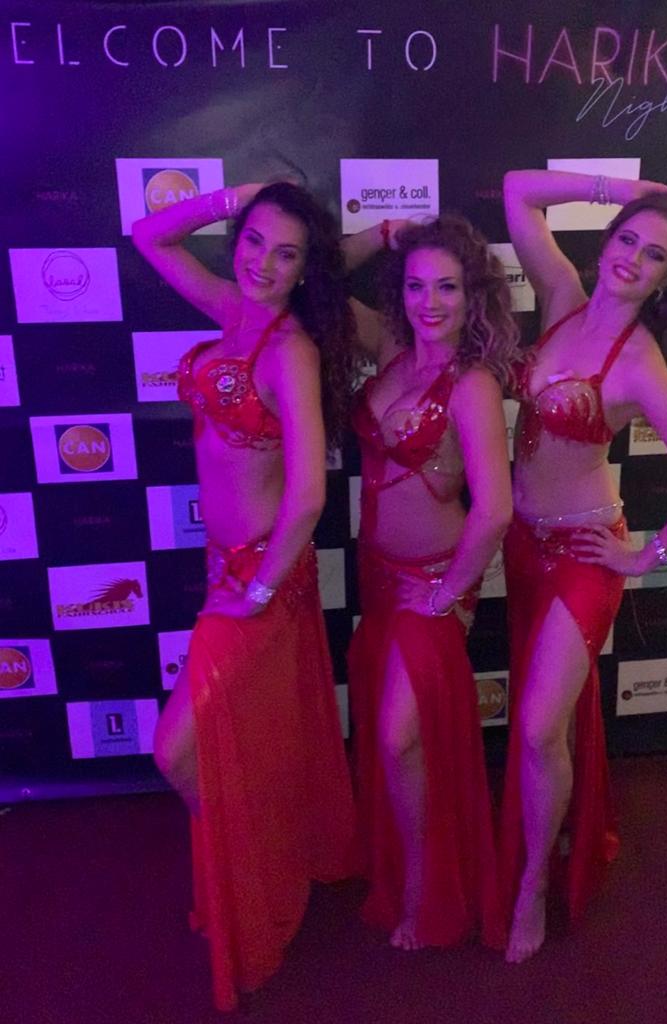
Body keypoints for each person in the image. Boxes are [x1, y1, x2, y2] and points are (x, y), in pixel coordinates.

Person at [499, 170, 667, 963]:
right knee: (547, 723)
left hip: (583, 556)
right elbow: (518, 192)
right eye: (627, 240)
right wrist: (618, 190)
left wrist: (645, 556)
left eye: (654, 254)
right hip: (522, 545)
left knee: (539, 726)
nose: (632, 257)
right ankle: (555, 829)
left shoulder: (640, 368)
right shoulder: (561, 296)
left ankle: (534, 883)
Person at [132, 181, 357, 1010]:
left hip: (263, 577)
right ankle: (255, 852)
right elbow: (149, 235)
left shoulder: (292, 351)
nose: (263, 262)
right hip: (224, 566)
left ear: (305, 270)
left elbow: (308, 493)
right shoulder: (229, 306)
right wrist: (237, 197)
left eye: (285, 253)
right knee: (248, 734)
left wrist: (260, 588)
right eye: (255, 241)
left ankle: (248, 859)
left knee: (176, 750)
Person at [344, 216, 518, 951]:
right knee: (390, 741)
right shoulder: (389, 350)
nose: (430, 303)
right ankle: (399, 862)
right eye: (416, 286)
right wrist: (381, 234)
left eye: (447, 287)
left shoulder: (471, 385)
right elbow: (316, 283)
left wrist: (449, 594)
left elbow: (496, 508)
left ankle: (424, 885)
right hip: (377, 579)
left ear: (473, 295)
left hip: (431, 584)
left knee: (399, 737)